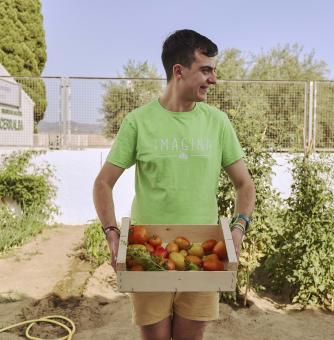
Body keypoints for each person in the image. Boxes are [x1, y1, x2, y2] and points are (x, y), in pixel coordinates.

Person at [93, 29, 256, 340]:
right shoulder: (139, 122)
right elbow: (103, 184)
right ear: (179, 71)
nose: (214, 79)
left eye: (214, 70)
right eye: (206, 70)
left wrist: (239, 226)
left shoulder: (217, 123)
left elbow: (245, 185)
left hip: (203, 257)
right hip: (149, 255)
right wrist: (112, 233)